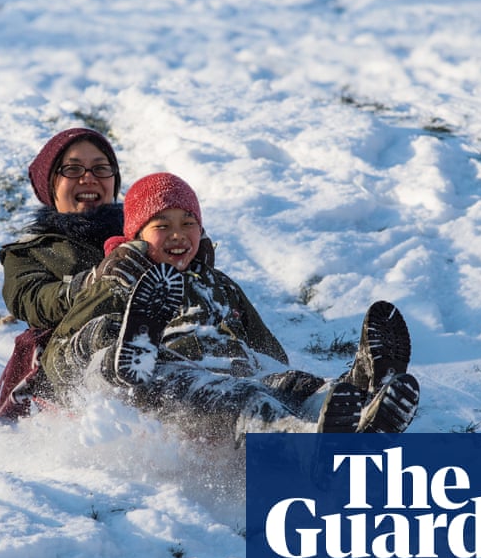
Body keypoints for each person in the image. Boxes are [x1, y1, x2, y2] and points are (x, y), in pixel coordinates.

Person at [40, 172, 420, 442]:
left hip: (235, 369)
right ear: (136, 236)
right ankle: (300, 442)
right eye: (162, 224)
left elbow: (269, 352)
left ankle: (360, 397)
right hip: (169, 381)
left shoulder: (217, 285)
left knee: (285, 384)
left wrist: (284, 378)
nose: (178, 234)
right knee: (243, 399)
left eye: (189, 223)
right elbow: (62, 354)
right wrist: (104, 348)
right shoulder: (118, 278)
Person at [0, 128, 126, 417]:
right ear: (51, 185)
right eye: (73, 168)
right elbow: (33, 299)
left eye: (101, 168)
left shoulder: (145, 239)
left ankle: (247, 445)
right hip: (71, 366)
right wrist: (88, 284)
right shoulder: (28, 253)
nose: (88, 177)